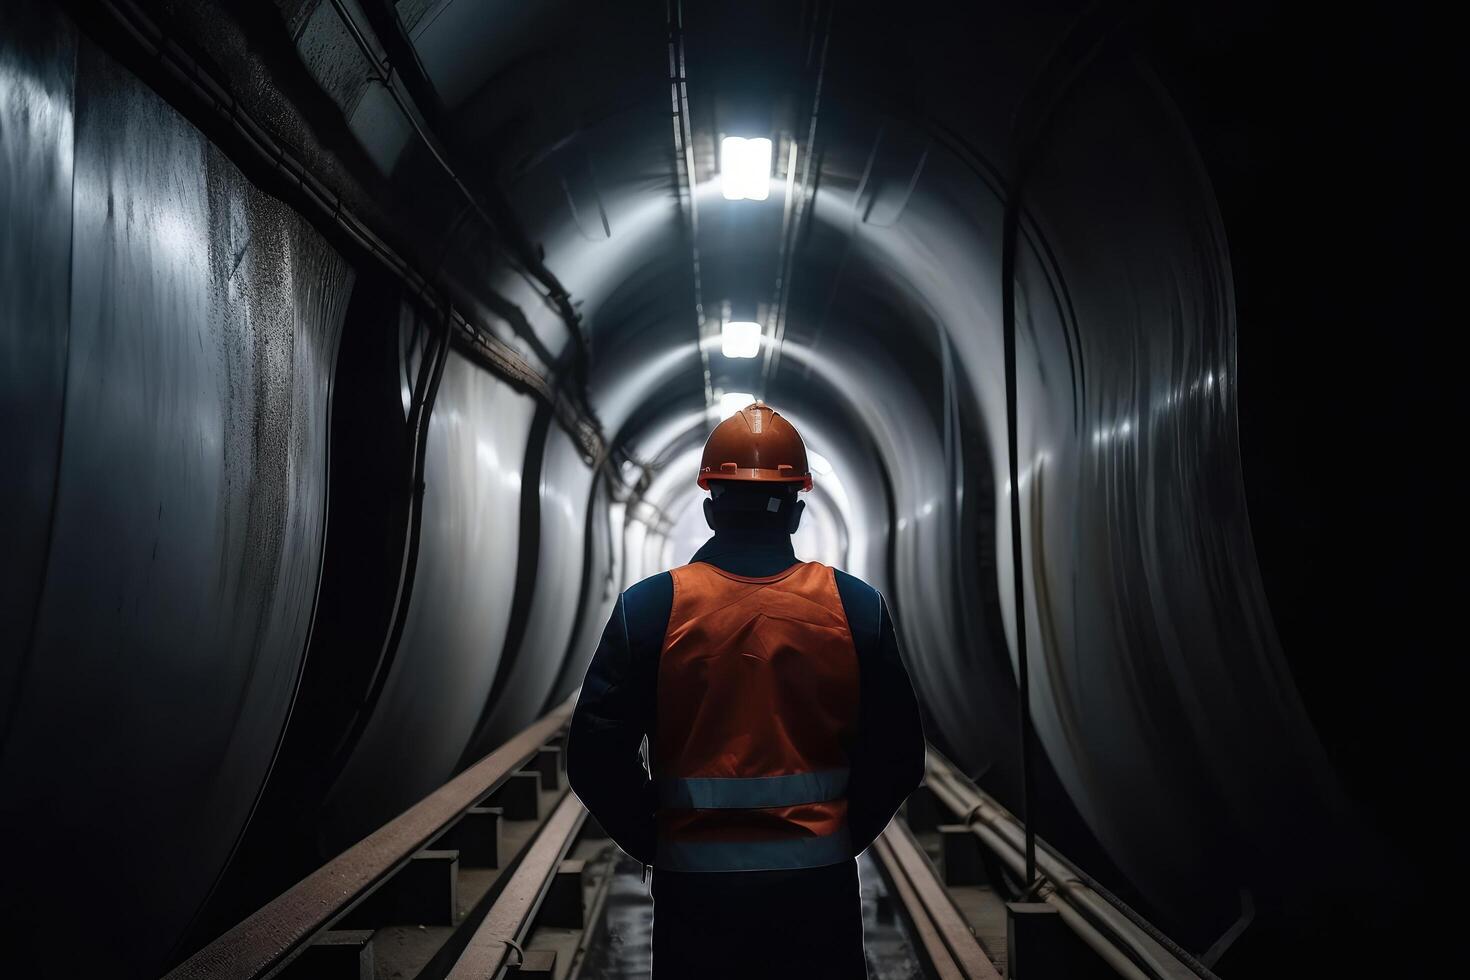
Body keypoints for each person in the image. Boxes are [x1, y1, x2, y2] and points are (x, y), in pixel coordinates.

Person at [568, 402, 925, 978]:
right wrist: (840, 838)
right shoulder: (855, 609)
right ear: (797, 511)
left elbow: (593, 754)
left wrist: (654, 839)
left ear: (710, 509)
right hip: (817, 891)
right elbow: (901, 755)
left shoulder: (653, 608)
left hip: (696, 895)